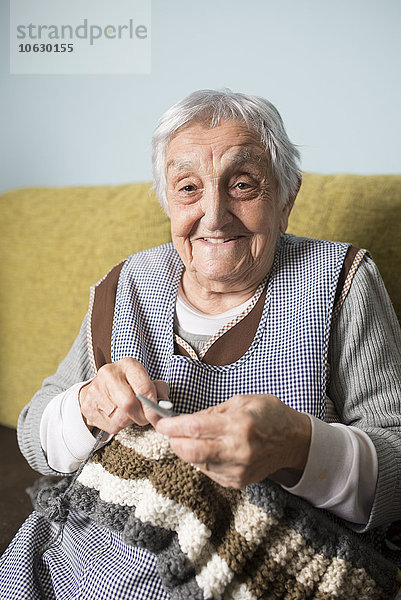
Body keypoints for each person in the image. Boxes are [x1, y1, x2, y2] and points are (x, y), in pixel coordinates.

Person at [1, 89, 401, 600]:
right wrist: (87, 405)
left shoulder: (342, 280)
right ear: (167, 200)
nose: (213, 215)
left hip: (259, 558)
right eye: (189, 187)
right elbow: (36, 436)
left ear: (286, 198)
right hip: (99, 543)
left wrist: (298, 447)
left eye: (243, 185)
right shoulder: (125, 285)